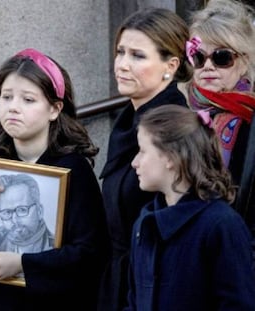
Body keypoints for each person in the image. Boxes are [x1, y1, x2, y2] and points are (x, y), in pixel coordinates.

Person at [0, 48, 109, 310]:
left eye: (28, 100)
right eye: (6, 97)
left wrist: (22, 264)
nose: (13, 108)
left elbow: (91, 255)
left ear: (54, 109)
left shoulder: (74, 171)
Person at [98, 7, 193, 311]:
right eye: (120, 52)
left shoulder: (176, 129)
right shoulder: (127, 122)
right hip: (116, 280)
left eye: (137, 56)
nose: (122, 65)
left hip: (153, 288)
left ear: (171, 65)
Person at [126, 104, 255, 310]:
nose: (135, 162)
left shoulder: (221, 224)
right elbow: (134, 302)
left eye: (142, 151)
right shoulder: (144, 224)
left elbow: (239, 303)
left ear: (170, 156)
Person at [184, 0, 255, 246]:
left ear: (244, 62)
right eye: (198, 58)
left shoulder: (249, 119)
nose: (208, 67)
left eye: (222, 57)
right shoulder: (181, 111)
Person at [0, 174, 54, 253]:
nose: (14, 220)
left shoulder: (55, 245)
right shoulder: (0, 237)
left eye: (22, 210)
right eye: (7, 212)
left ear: (39, 211)